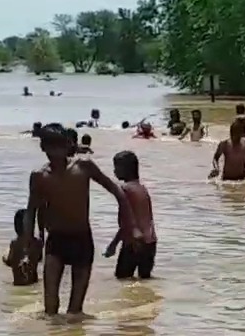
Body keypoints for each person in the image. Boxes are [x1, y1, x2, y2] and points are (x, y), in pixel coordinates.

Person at [23, 123, 140, 316]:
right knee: (50, 307)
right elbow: (30, 212)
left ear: (67, 144)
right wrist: (28, 247)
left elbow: (117, 192)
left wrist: (132, 226)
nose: (55, 151)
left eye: (58, 144)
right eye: (49, 145)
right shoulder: (39, 176)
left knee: (75, 311)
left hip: (82, 239)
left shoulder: (83, 166)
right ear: (42, 147)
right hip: (56, 240)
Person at [104, 151, 157, 279]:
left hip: (133, 242)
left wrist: (113, 244)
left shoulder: (124, 189)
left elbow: (126, 221)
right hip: (150, 241)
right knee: (144, 281)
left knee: (122, 280)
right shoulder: (142, 188)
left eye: (116, 167)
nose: (114, 171)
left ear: (126, 169)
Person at [3, 209, 43, 286]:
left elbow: (10, 261)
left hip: (18, 283)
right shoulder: (37, 243)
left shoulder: (14, 244)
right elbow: (40, 258)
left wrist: (4, 259)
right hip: (33, 282)